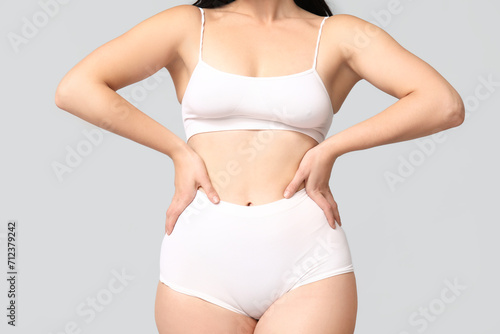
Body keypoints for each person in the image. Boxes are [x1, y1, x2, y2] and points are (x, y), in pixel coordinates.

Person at [54, 0, 465, 332]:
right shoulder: (186, 25)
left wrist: (332, 148)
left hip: (308, 261)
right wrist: (176, 150)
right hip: (201, 262)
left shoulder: (338, 34)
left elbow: (443, 105)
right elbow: (75, 89)